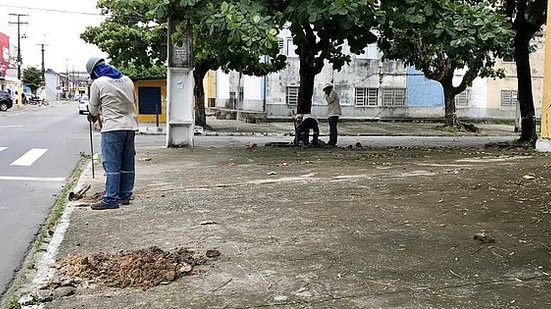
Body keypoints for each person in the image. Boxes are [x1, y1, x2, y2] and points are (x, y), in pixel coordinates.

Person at [86, 57, 139, 210]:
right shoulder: (127, 80)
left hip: (112, 128)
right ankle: (125, 195)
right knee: (127, 163)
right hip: (130, 127)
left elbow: (93, 110)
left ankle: (110, 199)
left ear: (94, 72)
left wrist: (93, 115)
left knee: (112, 164)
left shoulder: (98, 83)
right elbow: (133, 101)